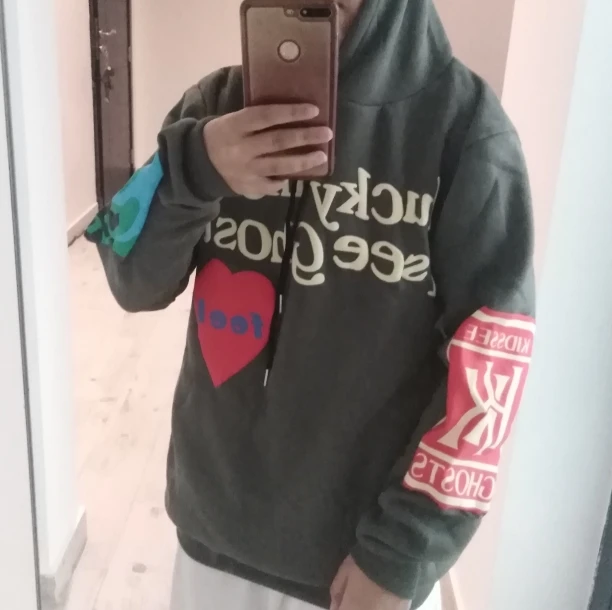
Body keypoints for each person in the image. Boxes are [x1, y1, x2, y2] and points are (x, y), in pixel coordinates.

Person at [86, 0, 536, 608]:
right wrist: (198, 168)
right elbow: (131, 279)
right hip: (209, 539)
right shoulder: (215, 108)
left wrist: (403, 552)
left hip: (357, 571)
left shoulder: (466, 132)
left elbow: (489, 365)